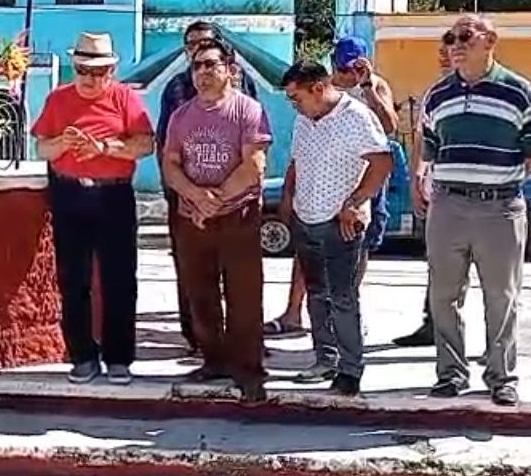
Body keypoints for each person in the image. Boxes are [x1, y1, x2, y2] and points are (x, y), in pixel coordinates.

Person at [420, 14, 531, 406]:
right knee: (443, 295)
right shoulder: (437, 95)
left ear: (490, 41)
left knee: (501, 297)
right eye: (450, 37)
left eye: (465, 36)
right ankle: (451, 373)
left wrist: (497, 183)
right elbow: (428, 148)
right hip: (448, 206)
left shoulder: (518, 92)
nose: (455, 44)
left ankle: (501, 376)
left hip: (500, 209)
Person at [32, 32, 155, 386]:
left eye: (98, 72)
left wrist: (103, 147)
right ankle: (82, 355)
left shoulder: (125, 98)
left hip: (114, 195)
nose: (90, 78)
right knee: (74, 279)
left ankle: (119, 358)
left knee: (120, 279)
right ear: (74, 67)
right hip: (70, 194)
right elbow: (42, 149)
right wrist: (63, 142)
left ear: (112, 71)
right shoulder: (58, 99)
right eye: (84, 70)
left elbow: (144, 144)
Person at [264, 35, 398, 339]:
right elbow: (297, 158)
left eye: (352, 66)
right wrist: (289, 195)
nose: (347, 73)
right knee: (308, 258)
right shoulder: (314, 100)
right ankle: (297, 314)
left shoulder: (372, 90)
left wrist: (367, 87)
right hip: (314, 191)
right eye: (341, 66)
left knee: (352, 252)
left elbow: (388, 131)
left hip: (360, 184)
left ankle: (347, 322)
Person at [161, 39, 271, 402]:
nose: (204, 73)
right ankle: (213, 360)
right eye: (197, 66)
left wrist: (216, 198)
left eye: (211, 65)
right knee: (199, 292)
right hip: (192, 217)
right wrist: (195, 196)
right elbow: (171, 164)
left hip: (237, 214)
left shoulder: (248, 111)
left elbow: (254, 166)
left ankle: (249, 370)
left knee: (244, 294)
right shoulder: (181, 115)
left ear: (229, 69)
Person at [282, 61, 392, 396]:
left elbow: (382, 162)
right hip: (307, 219)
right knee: (317, 294)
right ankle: (324, 358)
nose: (294, 105)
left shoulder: (356, 117)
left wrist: (356, 202)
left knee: (343, 297)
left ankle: (349, 368)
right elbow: (296, 162)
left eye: (296, 97)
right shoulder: (304, 119)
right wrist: (288, 199)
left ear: (317, 88)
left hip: (340, 223)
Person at [393, 33, 454, 348]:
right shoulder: (436, 94)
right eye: (442, 52)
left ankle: (493, 343)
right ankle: (432, 325)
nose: (445, 56)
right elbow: (420, 141)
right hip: (438, 193)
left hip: (477, 197)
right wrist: (417, 179)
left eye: (451, 50)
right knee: (437, 265)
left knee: (489, 276)